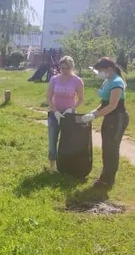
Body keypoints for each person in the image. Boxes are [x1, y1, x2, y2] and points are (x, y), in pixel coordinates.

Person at [80, 57, 129, 188]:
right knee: (106, 147)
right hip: (109, 117)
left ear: (108, 68)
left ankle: (108, 179)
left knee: (112, 148)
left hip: (118, 118)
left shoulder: (117, 82)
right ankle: (105, 176)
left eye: (100, 70)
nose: (99, 73)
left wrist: (94, 116)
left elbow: (113, 105)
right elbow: (104, 103)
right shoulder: (108, 81)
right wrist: (91, 113)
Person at [46, 55, 85, 172]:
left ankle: (65, 165)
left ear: (72, 67)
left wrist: (72, 109)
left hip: (69, 115)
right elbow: (48, 97)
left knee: (68, 141)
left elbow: (81, 99)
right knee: (53, 140)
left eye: (67, 68)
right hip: (55, 114)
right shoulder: (54, 79)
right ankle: (52, 167)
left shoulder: (77, 81)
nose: (64, 71)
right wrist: (55, 111)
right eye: (62, 68)